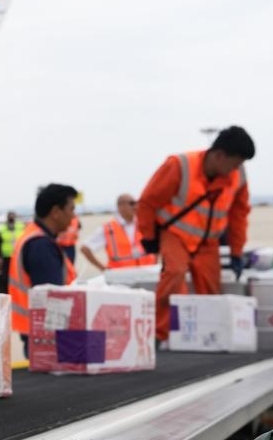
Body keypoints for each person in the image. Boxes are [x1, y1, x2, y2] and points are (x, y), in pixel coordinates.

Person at [137, 125, 254, 346]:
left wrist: (236, 252)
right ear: (219, 156)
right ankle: (160, 335)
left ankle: (207, 336)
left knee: (210, 289)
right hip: (175, 235)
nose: (237, 169)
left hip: (207, 242)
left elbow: (239, 216)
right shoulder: (179, 166)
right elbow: (148, 202)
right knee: (174, 274)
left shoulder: (238, 177)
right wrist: (149, 236)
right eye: (235, 163)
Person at [9, 184, 79, 356]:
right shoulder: (41, 245)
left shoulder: (34, 236)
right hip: (46, 337)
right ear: (56, 212)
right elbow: (52, 298)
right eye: (71, 209)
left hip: (35, 331)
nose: (73, 216)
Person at [80, 194, 157, 272]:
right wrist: (103, 269)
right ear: (120, 206)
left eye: (136, 203)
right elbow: (85, 249)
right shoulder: (108, 229)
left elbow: (157, 246)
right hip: (121, 276)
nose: (135, 206)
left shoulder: (144, 224)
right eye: (131, 203)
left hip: (148, 273)